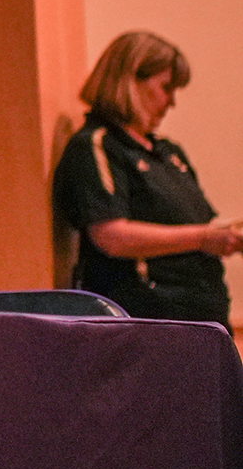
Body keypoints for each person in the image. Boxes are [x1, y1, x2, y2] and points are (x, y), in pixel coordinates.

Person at [52, 31, 240, 324]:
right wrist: (204, 238)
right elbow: (111, 236)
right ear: (130, 81)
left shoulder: (168, 153)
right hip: (148, 323)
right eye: (166, 88)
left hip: (201, 318)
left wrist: (228, 235)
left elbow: (195, 225)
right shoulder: (98, 146)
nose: (171, 103)